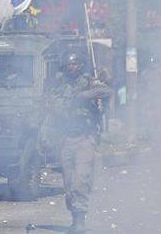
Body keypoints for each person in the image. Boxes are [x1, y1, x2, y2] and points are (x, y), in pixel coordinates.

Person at [45, 49, 111, 234]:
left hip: (85, 138)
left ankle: (80, 219)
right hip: (66, 139)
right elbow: (53, 105)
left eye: (75, 64)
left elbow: (106, 90)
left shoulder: (89, 82)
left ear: (81, 65)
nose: (71, 67)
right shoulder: (59, 86)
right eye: (69, 64)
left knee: (81, 180)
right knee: (68, 184)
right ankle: (74, 216)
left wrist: (84, 96)